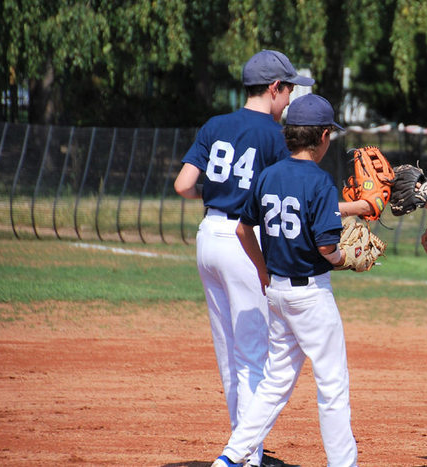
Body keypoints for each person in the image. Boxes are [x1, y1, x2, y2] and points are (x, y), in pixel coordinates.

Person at [174, 49, 314, 467]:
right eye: (287, 90)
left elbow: (183, 184)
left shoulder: (216, 124)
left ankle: (245, 445)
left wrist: (219, 194)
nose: (289, 100)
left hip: (209, 237)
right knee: (255, 353)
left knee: (229, 352)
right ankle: (248, 457)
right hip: (242, 239)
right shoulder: (274, 134)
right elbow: (285, 190)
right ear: (274, 88)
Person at [211, 94, 358, 467]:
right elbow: (328, 248)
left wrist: (262, 270)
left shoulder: (269, 175)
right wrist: (348, 259)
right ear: (323, 136)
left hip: (277, 292)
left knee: (275, 383)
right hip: (311, 296)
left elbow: (244, 229)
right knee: (332, 385)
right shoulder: (321, 182)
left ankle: (231, 457)